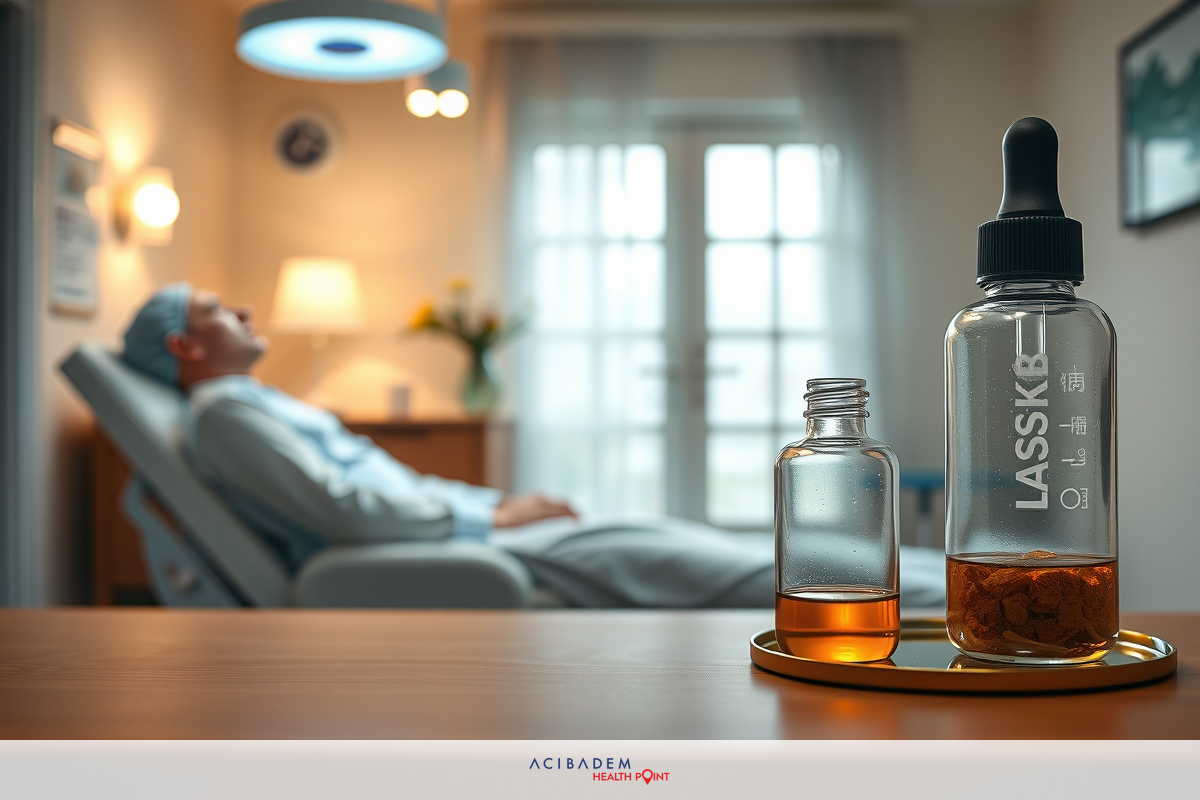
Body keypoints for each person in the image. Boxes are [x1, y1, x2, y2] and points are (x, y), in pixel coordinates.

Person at [120, 283, 945, 608]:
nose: (245, 313)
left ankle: (928, 578)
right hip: (452, 546)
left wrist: (500, 507)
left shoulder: (249, 406)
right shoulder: (225, 416)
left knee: (677, 540)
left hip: (466, 530)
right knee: (692, 560)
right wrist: (497, 519)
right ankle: (931, 594)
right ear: (184, 348)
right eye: (219, 312)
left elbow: (376, 495)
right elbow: (346, 513)